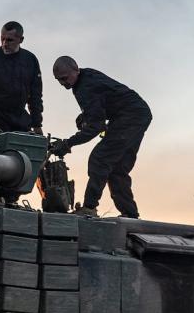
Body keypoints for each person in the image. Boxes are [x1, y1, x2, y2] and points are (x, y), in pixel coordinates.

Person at [48, 56, 152, 218]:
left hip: (130, 117)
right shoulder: (86, 77)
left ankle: (89, 207)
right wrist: (86, 117)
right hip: (136, 114)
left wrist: (68, 143)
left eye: (65, 78)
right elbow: (100, 108)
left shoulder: (85, 87)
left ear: (75, 70)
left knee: (99, 159)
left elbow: (95, 127)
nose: (63, 83)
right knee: (118, 168)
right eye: (59, 80)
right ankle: (130, 213)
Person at [0, 21, 43, 134]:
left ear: (21, 40)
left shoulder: (30, 60)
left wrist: (37, 124)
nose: (5, 43)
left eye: (10, 40)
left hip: (20, 120)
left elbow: (35, 96)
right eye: (2, 39)